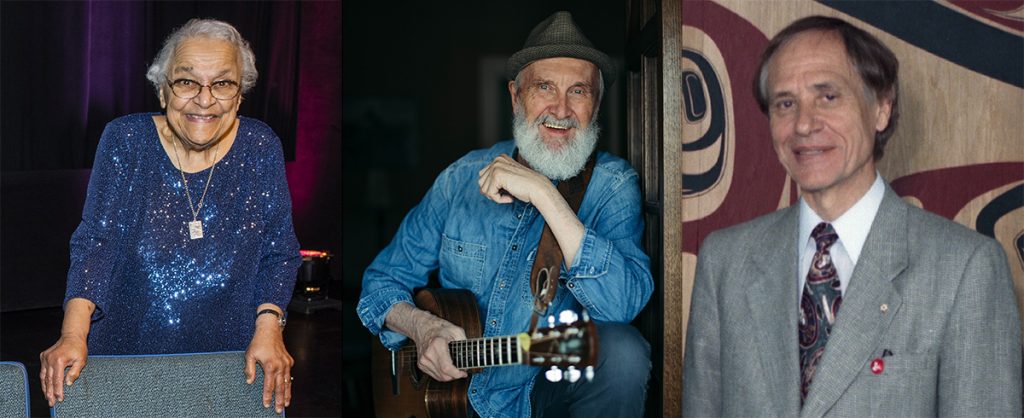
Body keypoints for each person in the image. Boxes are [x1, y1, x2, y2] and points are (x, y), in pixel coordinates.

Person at [682, 15, 1022, 416]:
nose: (804, 125)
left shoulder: (966, 269)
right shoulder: (726, 261)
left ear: (881, 109)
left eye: (828, 97)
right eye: (785, 103)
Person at [358, 11, 653, 418]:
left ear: (596, 103)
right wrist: (422, 328)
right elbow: (379, 285)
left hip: (549, 386)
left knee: (622, 352)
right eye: (544, 87)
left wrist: (544, 194)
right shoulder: (460, 179)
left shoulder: (614, 187)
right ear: (516, 96)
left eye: (579, 91)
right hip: (453, 401)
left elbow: (622, 307)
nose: (561, 109)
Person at [38, 19, 301, 414]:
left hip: (230, 367)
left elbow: (280, 252)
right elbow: (97, 242)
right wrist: (72, 333)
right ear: (163, 90)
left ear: (240, 95)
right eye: (187, 82)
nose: (205, 99)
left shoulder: (260, 147)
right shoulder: (125, 140)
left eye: (223, 83)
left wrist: (269, 327)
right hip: (127, 360)